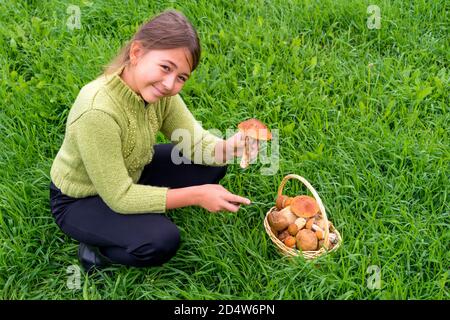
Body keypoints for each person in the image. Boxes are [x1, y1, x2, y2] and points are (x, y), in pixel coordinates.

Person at [49, 9, 260, 272]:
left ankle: (143, 211)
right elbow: (119, 197)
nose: (170, 83)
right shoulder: (97, 111)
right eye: (165, 67)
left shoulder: (162, 95)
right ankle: (96, 247)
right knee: (161, 241)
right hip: (81, 199)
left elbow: (194, 144)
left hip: (132, 170)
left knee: (214, 164)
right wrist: (197, 195)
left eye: (181, 77)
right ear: (136, 53)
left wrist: (230, 147)